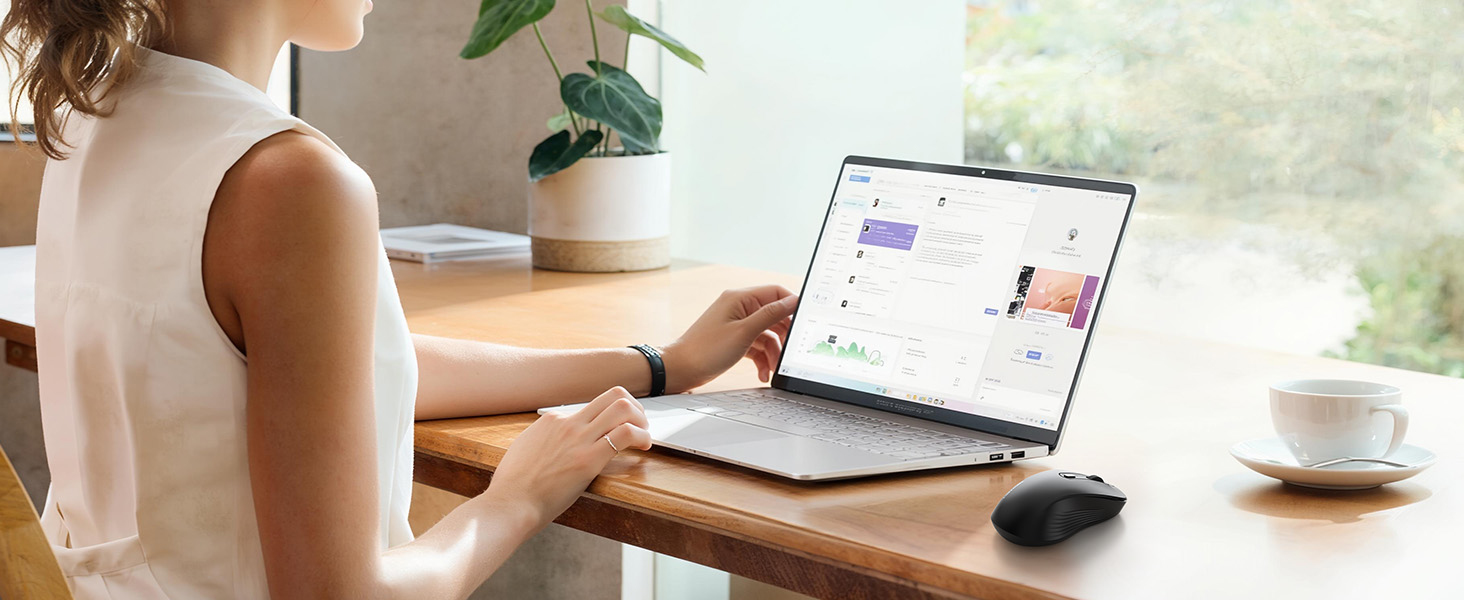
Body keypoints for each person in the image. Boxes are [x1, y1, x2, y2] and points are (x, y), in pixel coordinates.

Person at [0, 1, 797, 598]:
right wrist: (516, 496)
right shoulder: (291, 182)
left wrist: (659, 365)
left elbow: (327, 373)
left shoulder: (94, 115)